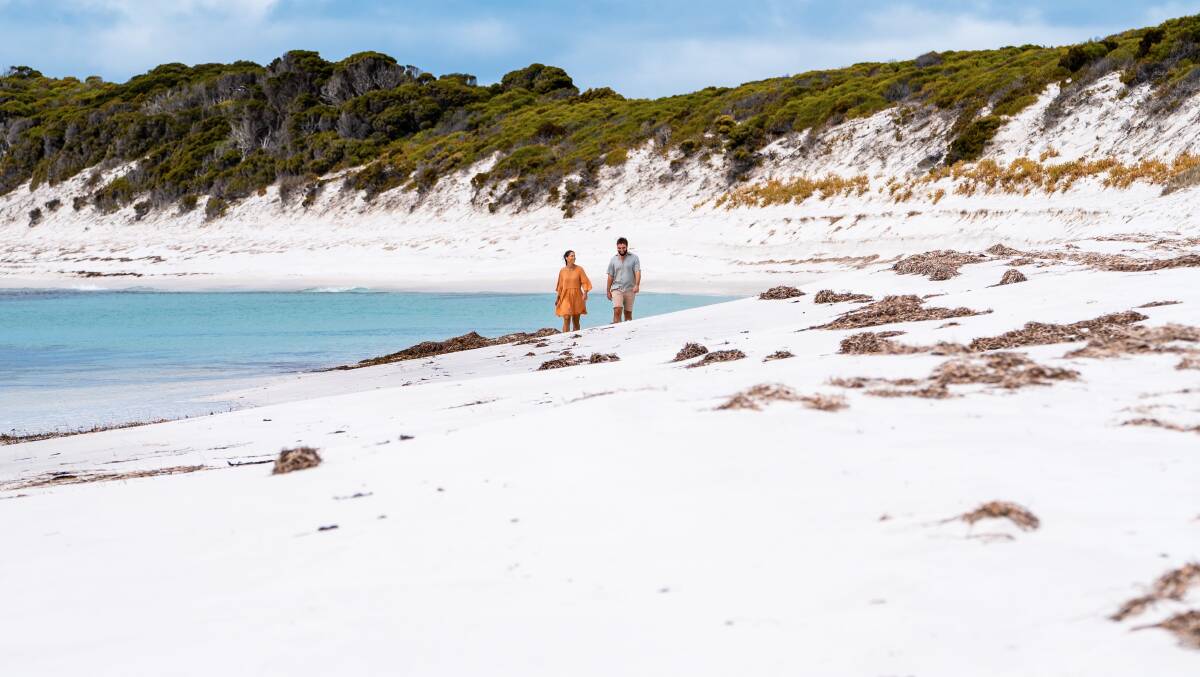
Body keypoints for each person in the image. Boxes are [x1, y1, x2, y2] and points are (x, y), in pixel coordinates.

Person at [605, 236, 641, 323]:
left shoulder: (634, 258)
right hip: (616, 288)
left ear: (627, 247)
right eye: (619, 248)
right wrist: (608, 291)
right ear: (617, 247)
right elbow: (610, 276)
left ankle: (626, 334)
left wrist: (637, 285)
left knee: (628, 314)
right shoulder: (613, 260)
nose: (621, 250)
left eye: (623, 248)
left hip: (630, 289)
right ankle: (616, 330)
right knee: (617, 310)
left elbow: (637, 272)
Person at [555, 250, 591, 332]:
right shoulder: (562, 271)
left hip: (577, 296)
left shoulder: (579, 269)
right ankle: (565, 338)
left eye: (574, 256)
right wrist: (558, 298)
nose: (574, 257)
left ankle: (576, 338)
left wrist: (585, 293)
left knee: (576, 320)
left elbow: (585, 281)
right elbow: (560, 286)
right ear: (566, 258)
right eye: (571, 256)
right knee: (566, 317)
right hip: (565, 296)